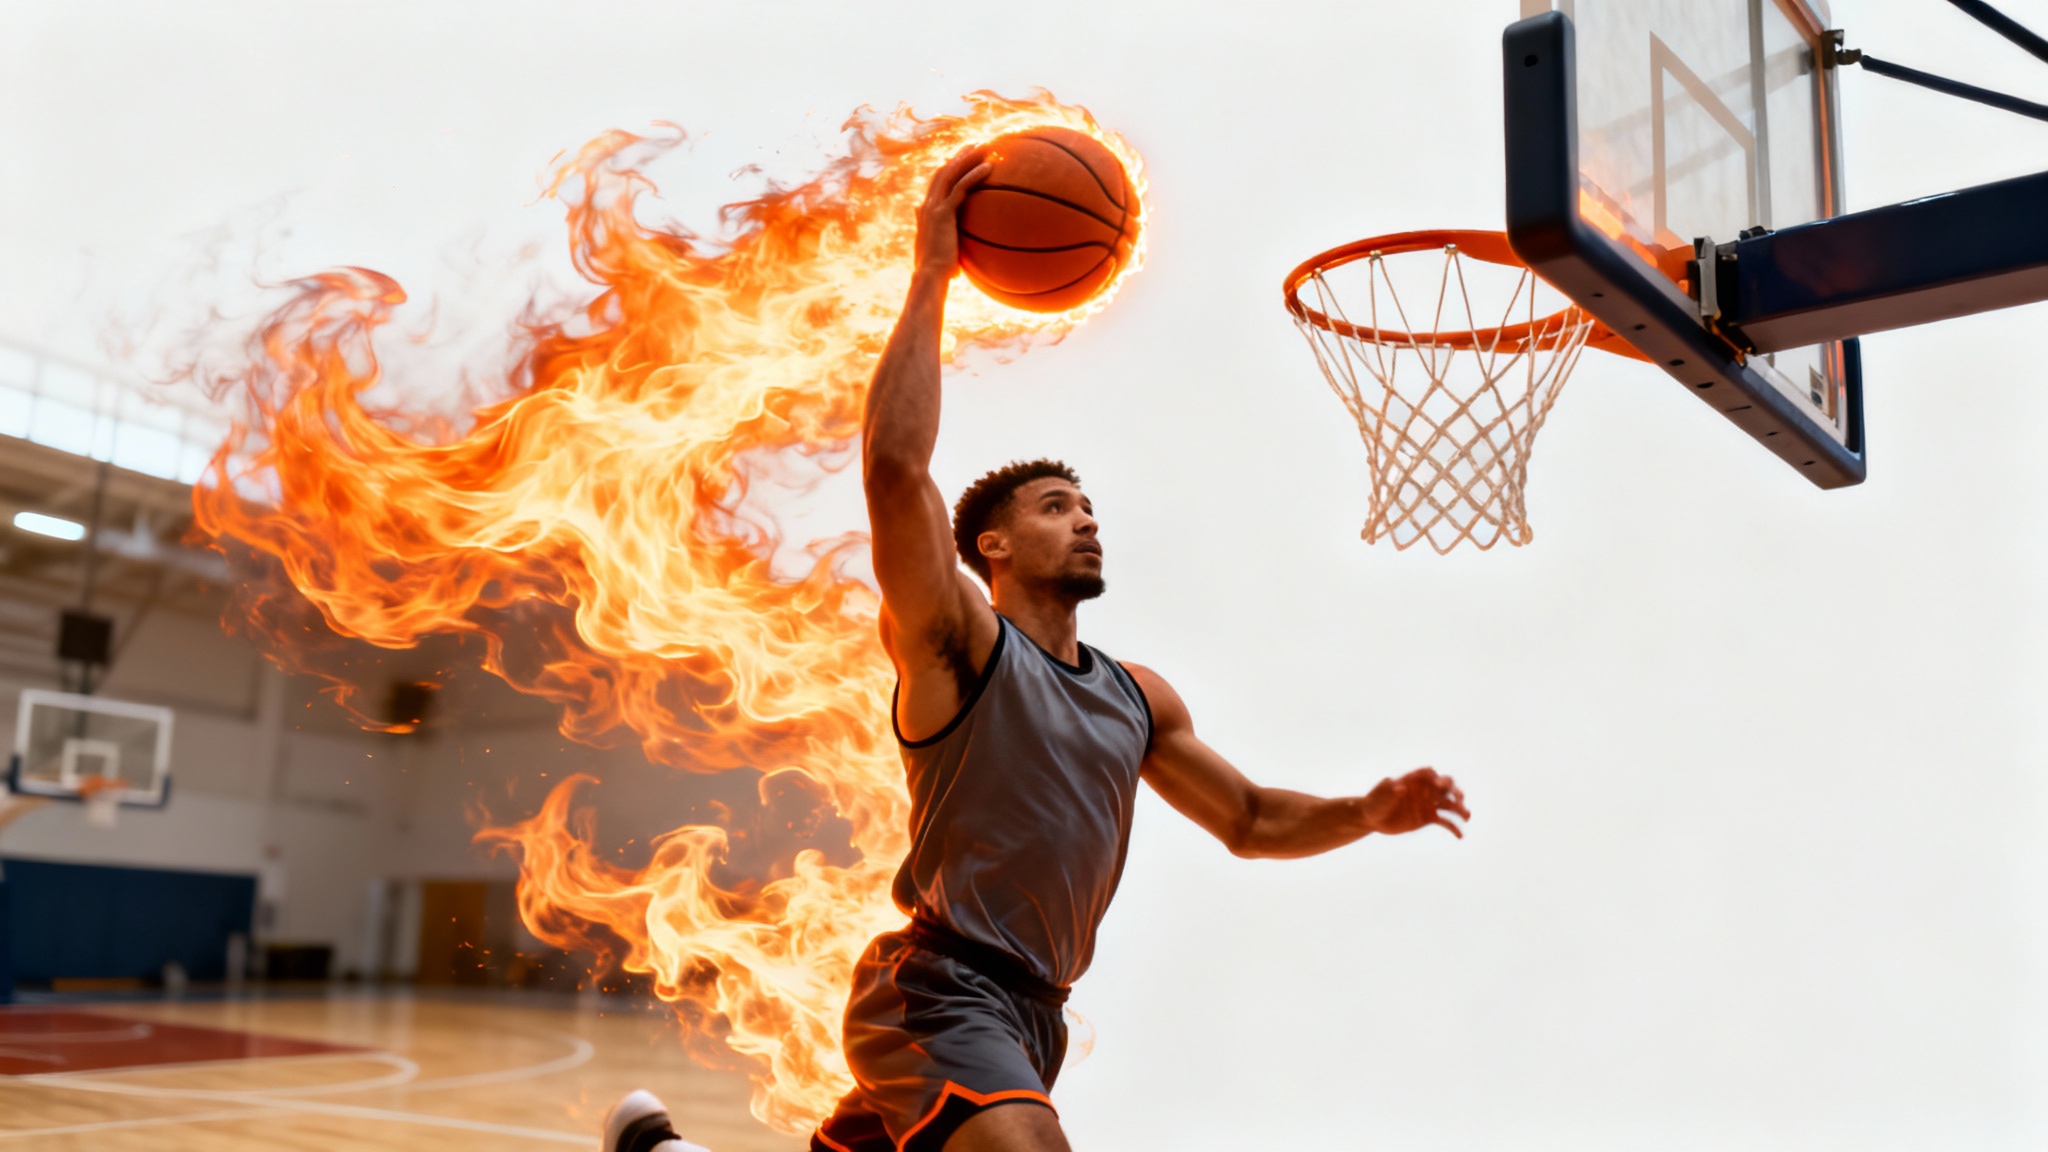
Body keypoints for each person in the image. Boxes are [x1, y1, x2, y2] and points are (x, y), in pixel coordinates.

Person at [606, 149, 1470, 1152]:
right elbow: (894, 470)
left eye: (1089, 507)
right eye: (1056, 508)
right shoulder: (962, 647)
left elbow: (1246, 818)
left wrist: (1365, 812)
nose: (1086, 520)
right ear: (993, 547)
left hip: (1035, 1014)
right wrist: (933, 271)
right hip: (940, 987)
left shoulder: (1137, 697)